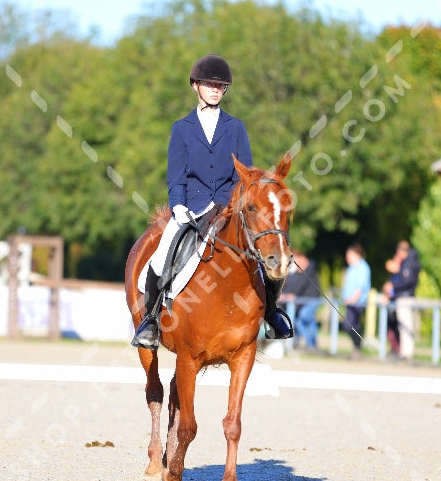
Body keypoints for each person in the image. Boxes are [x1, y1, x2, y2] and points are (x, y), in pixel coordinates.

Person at [131, 54, 292, 349]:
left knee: (265, 250)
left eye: (220, 85)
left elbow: (246, 175)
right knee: (163, 252)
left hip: (228, 208)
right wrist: (178, 206)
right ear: (196, 86)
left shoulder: (236, 128)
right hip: (190, 207)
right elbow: (176, 174)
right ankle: (151, 320)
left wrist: (236, 204)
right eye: (209, 84)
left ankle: (271, 312)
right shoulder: (182, 128)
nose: (215, 89)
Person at [381, 240, 420, 359]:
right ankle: (403, 351)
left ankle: (407, 353)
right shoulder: (406, 263)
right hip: (402, 297)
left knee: (405, 325)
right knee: (402, 325)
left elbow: (407, 281)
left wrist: (393, 286)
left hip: (405, 297)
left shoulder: (409, 263)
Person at [279, 252, 322, 351]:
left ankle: (311, 345)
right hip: (302, 301)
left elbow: (300, 286)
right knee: (305, 320)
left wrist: (292, 294)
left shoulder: (309, 269)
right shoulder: (298, 272)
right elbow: (291, 287)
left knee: (303, 317)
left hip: (312, 300)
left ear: (302, 258)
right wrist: (284, 294)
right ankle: (310, 344)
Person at [340, 243, 371, 356]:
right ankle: (357, 348)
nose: (347, 258)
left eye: (349, 255)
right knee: (352, 325)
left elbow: (361, 286)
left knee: (350, 325)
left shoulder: (363, 267)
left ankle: (358, 346)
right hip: (350, 302)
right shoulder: (352, 268)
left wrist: (353, 299)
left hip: (357, 302)